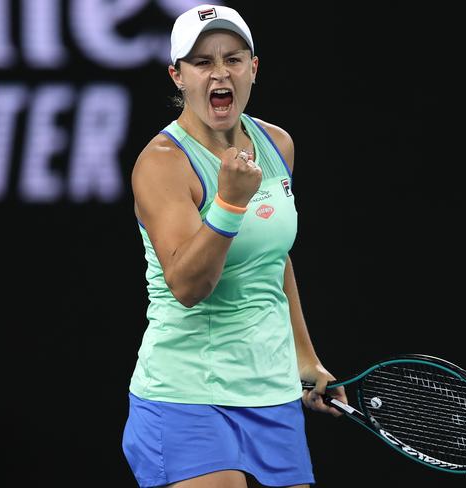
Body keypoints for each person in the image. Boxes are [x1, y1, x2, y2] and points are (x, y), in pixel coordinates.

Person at [122, 4, 347, 487]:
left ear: (254, 68)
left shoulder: (277, 144)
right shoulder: (162, 163)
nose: (219, 73)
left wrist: (304, 362)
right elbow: (187, 285)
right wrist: (228, 203)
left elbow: (273, 259)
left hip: (271, 394)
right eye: (202, 63)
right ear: (177, 76)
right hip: (186, 397)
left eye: (233, 59)